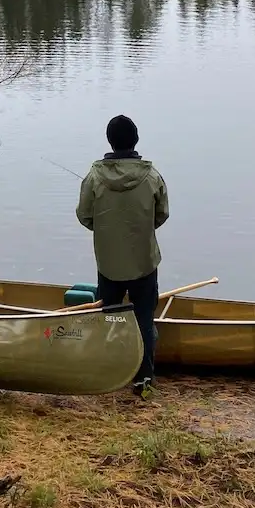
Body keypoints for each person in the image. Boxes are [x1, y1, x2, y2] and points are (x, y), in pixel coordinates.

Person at [76, 115, 169, 396]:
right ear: (136, 140)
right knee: (143, 319)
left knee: (111, 318)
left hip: (108, 263)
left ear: (110, 141)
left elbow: (85, 216)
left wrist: (107, 231)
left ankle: (113, 373)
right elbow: (162, 214)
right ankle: (144, 379)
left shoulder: (94, 177)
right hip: (143, 261)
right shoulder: (152, 176)